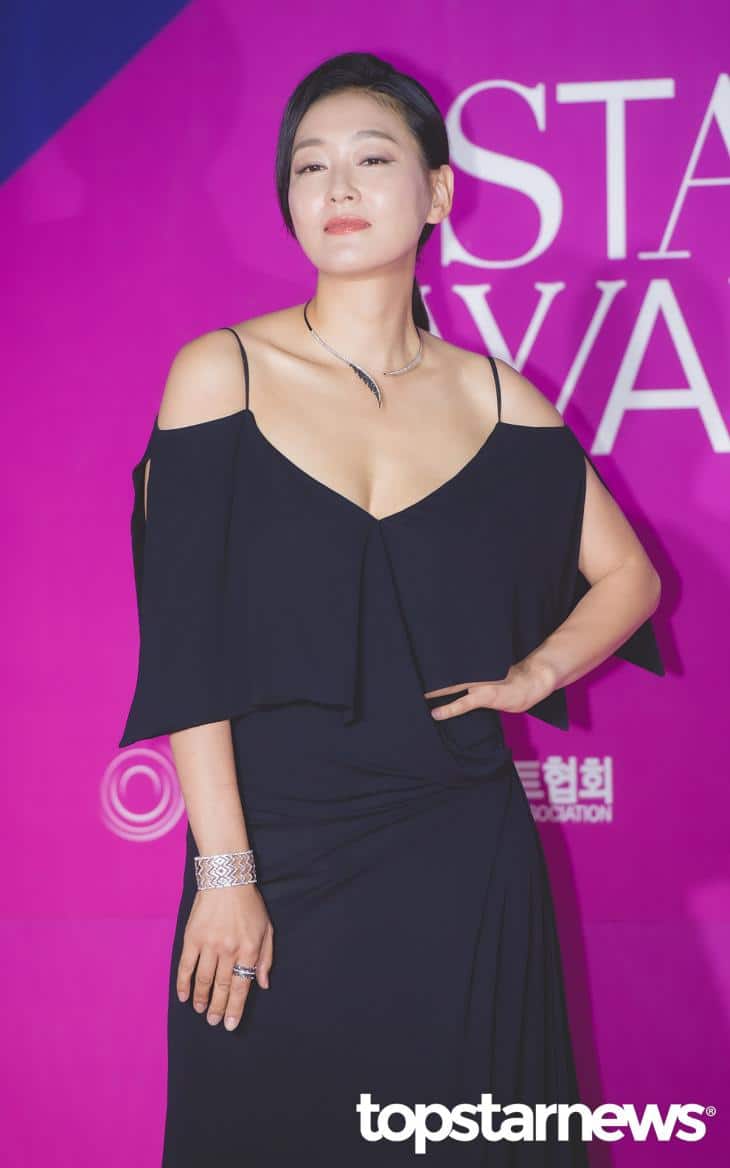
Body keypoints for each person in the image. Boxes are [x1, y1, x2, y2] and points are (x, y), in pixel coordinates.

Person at [119, 51, 663, 1166]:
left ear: (439, 192)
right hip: (273, 858)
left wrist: (536, 674)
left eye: (371, 160)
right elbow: (184, 646)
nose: (337, 188)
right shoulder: (221, 373)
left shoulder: (499, 398)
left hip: (459, 855)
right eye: (309, 166)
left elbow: (630, 578)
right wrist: (225, 871)